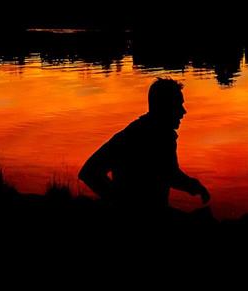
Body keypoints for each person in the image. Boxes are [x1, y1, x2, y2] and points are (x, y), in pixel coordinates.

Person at [78, 77, 210, 214]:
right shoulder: (133, 136)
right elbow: (89, 172)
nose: (183, 112)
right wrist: (120, 203)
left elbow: (169, 174)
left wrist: (194, 186)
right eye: (178, 105)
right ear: (165, 107)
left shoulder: (162, 135)